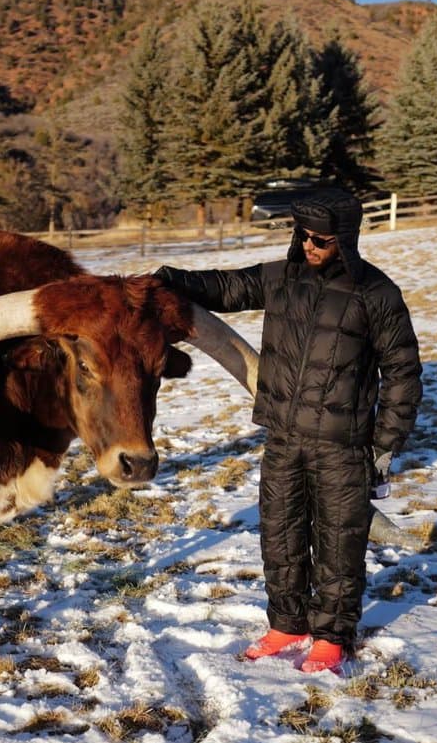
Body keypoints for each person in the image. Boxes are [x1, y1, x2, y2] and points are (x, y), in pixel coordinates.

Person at [156, 184, 422, 673]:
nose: (310, 246)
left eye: (320, 239)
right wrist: (167, 279)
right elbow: (225, 287)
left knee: (340, 543)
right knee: (280, 536)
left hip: (344, 446)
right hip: (282, 437)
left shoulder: (376, 293)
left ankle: (330, 637)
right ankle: (287, 624)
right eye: (303, 236)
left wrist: (385, 444)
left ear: (344, 238)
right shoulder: (279, 278)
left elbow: (403, 372)